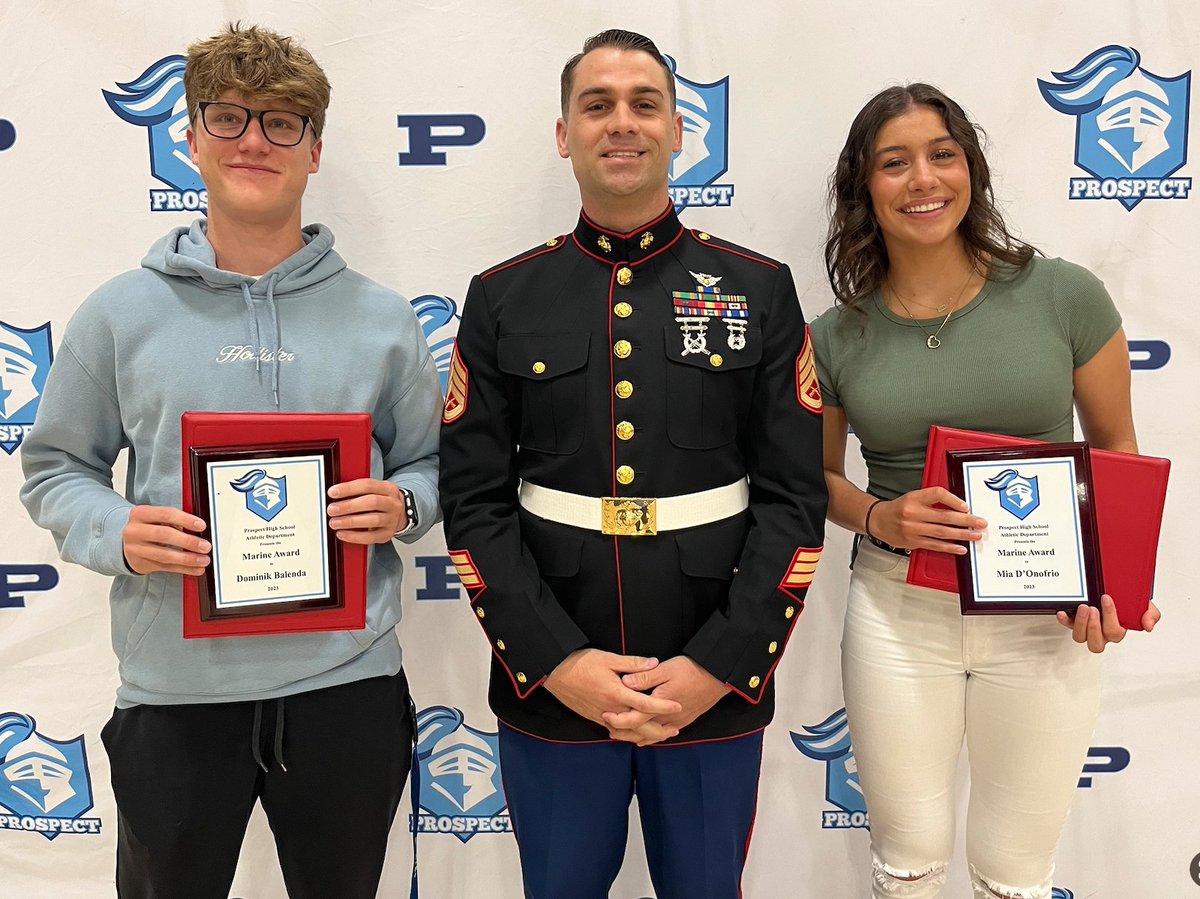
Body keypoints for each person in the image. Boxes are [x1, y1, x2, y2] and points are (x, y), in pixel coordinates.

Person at [20, 23, 441, 899]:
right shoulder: (119, 314)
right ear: (190, 138)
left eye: (282, 122)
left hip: (347, 685)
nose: (254, 139)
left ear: (315, 150)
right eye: (229, 116)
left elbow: (437, 467)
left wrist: (401, 507)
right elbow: (55, 469)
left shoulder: (381, 319)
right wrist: (120, 530)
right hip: (173, 693)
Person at [439, 28, 826, 899]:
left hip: (712, 680)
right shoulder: (504, 295)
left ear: (679, 129)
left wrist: (721, 663)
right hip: (553, 681)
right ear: (564, 133)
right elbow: (473, 505)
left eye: (644, 104)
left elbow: (794, 505)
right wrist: (554, 661)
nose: (622, 123)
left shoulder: (754, 288)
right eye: (597, 104)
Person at [810, 83, 1161, 899]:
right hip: (899, 614)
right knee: (909, 866)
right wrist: (880, 515)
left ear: (971, 167)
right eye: (894, 163)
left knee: (1014, 874)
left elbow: (1116, 449)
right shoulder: (836, 335)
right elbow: (817, 479)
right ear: (863, 188)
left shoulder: (1063, 293)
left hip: (1044, 618)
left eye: (942, 154)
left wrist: (1105, 581)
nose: (923, 179)